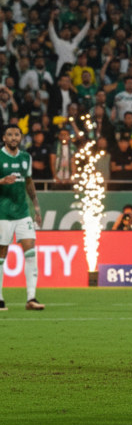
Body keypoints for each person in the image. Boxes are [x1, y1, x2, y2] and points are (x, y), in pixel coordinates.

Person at [0, 124, 44, 312]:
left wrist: (36, 207)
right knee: (1, 255)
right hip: (2, 214)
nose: (13, 137)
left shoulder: (26, 158)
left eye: (16, 134)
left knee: (30, 252)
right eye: (9, 134)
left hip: (22, 213)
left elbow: (28, 182)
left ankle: (31, 298)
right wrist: (1, 181)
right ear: (4, 138)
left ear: (21, 137)